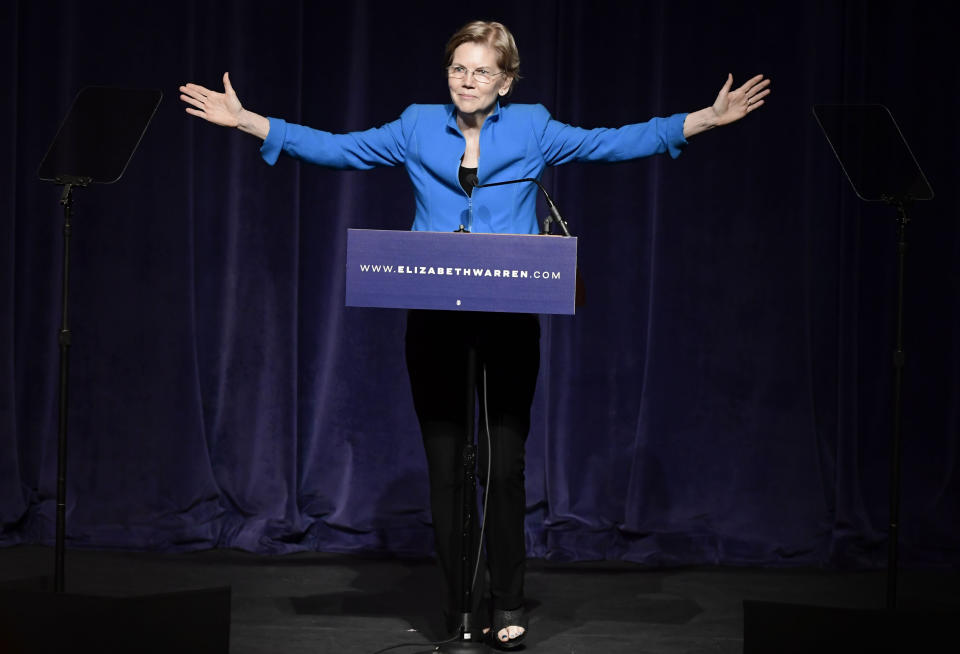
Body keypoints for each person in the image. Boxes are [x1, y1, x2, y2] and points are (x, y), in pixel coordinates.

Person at [180, 20, 770, 649]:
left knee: (504, 467)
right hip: (433, 317)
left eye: (482, 71)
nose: (467, 81)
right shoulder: (414, 125)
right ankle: (458, 602)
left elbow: (612, 143)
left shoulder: (533, 127)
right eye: (458, 69)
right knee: (445, 469)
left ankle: (508, 598)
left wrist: (702, 120)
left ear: (506, 80)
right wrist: (250, 122)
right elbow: (340, 148)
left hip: (508, 317)